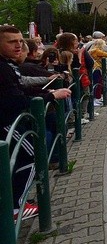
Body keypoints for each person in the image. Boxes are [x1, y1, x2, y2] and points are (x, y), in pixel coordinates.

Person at [1, 25, 70, 214]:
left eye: (20, 41)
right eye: (11, 42)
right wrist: (50, 96)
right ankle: (16, 207)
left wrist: (45, 90)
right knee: (33, 154)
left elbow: (21, 85)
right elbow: (15, 99)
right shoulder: (4, 67)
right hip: (6, 122)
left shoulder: (8, 65)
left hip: (10, 120)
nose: (18, 45)